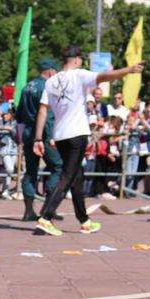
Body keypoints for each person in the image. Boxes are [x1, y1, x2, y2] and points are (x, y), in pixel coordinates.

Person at [32, 46, 142, 236]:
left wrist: (38, 138)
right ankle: (46, 217)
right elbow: (106, 76)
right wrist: (128, 70)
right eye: (81, 59)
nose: (82, 62)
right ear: (75, 59)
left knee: (77, 177)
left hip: (60, 136)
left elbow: (42, 111)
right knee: (67, 176)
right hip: (77, 134)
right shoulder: (79, 75)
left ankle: (84, 220)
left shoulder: (50, 82)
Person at [16, 59, 62, 221]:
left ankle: (29, 210)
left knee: (30, 171)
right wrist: (51, 137)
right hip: (41, 133)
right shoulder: (47, 86)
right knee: (58, 166)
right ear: (50, 71)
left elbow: (19, 114)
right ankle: (49, 206)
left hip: (28, 132)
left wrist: (20, 136)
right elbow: (47, 115)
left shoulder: (27, 87)